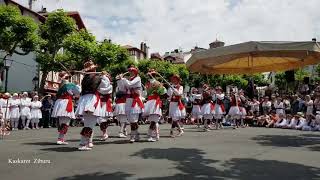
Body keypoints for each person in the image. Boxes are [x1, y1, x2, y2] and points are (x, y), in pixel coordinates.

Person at [76, 60, 108, 150]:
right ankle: (83, 144)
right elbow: (106, 87)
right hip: (91, 100)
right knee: (89, 124)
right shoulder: (96, 77)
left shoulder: (85, 78)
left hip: (85, 100)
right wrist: (104, 76)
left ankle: (88, 142)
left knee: (89, 123)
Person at [52, 71, 80, 145]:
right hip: (66, 102)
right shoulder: (69, 84)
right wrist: (77, 84)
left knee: (62, 121)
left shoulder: (60, 84)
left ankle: (61, 138)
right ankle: (60, 138)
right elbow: (78, 92)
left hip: (60, 102)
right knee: (65, 121)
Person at [121, 65, 144, 143]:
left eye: (132, 71)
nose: (130, 72)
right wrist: (119, 80)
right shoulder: (128, 79)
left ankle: (133, 136)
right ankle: (137, 134)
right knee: (131, 120)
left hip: (135, 100)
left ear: (135, 72)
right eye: (130, 71)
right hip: (129, 100)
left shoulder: (138, 78)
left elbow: (130, 84)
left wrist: (123, 79)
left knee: (134, 119)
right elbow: (122, 88)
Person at [143, 69, 166, 142]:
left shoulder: (150, 83)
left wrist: (162, 87)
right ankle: (149, 135)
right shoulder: (153, 83)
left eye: (154, 75)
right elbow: (161, 92)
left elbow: (162, 92)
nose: (153, 76)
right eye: (152, 75)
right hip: (153, 102)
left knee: (155, 120)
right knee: (153, 120)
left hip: (153, 101)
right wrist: (161, 87)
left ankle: (156, 134)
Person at [97, 71, 113, 141]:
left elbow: (104, 89)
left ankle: (105, 133)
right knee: (100, 119)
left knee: (103, 119)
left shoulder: (109, 85)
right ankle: (104, 133)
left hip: (105, 103)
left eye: (106, 75)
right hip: (99, 103)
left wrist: (103, 76)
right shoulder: (99, 82)